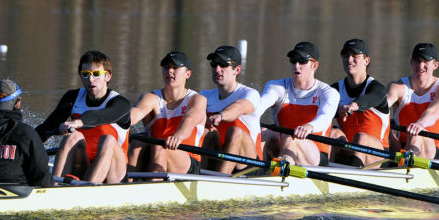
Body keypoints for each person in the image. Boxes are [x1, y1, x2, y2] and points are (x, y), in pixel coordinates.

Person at [36, 50, 131, 184]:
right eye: (85, 74)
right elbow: (46, 128)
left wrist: (78, 122)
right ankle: (54, 187)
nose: (90, 79)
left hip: (114, 172)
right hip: (84, 164)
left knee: (108, 140)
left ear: (108, 76)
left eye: (96, 74)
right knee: (73, 137)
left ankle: (87, 191)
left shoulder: (121, 103)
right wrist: (20, 143)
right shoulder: (72, 98)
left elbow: (99, 116)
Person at [259, 41, 339, 167]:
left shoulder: (328, 92)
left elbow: (325, 117)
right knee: (263, 132)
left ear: (314, 66)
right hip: (284, 146)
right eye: (293, 60)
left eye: (302, 61)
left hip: (316, 156)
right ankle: (255, 170)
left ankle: (278, 175)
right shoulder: (277, 87)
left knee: (291, 138)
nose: (296, 66)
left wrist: (309, 126)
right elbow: (258, 107)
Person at [128, 51, 207, 175]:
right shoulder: (150, 98)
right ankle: (128, 183)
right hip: (156, 153)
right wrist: (116, 122)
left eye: (175, 68)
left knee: (160, 147)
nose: (170, 71)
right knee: (137, 143)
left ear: (188, 74)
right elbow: (134, 114)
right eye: (166, 68)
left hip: (187, 162)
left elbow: (190, 119)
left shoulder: (197, 99)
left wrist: (178, 136)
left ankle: (153, 186)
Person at [199, 44, 261, 174]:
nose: (217, 69)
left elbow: (238, 108)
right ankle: (198, 176)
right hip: (218, 158)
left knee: (235, 132)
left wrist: (221, 115)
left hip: (248, 166)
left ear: (237, 70)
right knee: (208, 132)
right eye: (214, 64)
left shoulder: (250, 94)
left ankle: (220, 182)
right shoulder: (204, 95)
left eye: (223, 64)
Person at [385, 42, 439, 160]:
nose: (421, 66)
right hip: (401, 148)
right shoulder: (397, 86)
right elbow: (382, 106)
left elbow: (435, 111)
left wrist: (420, 124)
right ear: (411, 62)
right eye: (417, 60)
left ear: (435, 65)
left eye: (426, 61)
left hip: (432, 150)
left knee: (418, 135)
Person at [329, 38, 390, 168]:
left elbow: (371, 98)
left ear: (366, 61)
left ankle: (352, 172)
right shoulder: (334, 90)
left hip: (378, 155)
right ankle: (323, 169)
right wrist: (336, 111)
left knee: (361, 137)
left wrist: (354, 105)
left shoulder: (376, 88)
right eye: (346, 56)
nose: (349, 60)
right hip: (348, 149)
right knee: (333, 133)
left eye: (355, 56)